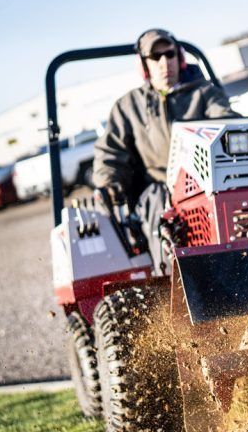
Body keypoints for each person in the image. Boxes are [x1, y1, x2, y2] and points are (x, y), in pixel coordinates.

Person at [93, 28, 236, 271]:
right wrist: (108, 184)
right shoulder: (128, 107)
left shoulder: (204, 93)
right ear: (143, 65)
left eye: (169, 54)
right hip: (157, 188)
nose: (164, 63)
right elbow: (110, 154)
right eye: (155, 57)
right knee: (158, 205)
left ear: (179, 58)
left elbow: (226, 123)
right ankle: (171, 279)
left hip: (203, 184)